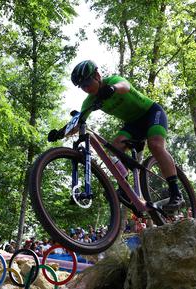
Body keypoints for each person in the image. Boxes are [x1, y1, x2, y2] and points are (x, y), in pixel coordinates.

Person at [58, 60, 183, 212]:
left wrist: (112, 88)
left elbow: (125, 87)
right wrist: (61, 132)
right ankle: (124, 185)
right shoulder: (90, 100)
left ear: (97, 75)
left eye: (87, 82)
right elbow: (79, 122)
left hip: (151, 113)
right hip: (133, 125)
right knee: (115, 146)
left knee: (155, 145)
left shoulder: (113, 81)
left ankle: (176, 192)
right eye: (82, 86)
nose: (86, 88)